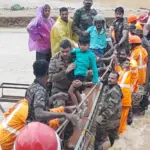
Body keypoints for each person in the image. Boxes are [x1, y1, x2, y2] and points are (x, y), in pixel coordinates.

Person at [25, 60, 78, 149]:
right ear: (47, 73)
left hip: (29, 127)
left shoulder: (31, 87)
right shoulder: (40, 91)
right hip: (39, 131)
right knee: (67, 121)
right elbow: (39, 114)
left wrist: (55, 97)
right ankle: (64, 144)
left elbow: (38, 104)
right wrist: (64, 114)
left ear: (34, 72)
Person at [95, 71, 123, 150]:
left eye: (112, 78)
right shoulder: (108, 86)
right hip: (110, 118)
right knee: (109, 137)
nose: (109, 79)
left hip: (110, 119)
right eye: (109, 77)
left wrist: (102, 116)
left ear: (117, 80)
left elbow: (112, 108)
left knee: (100, 139)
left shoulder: (115, 91)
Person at [68, 35, 98, 105]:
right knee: (76, 91)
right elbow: (71, 52)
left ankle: (77, 108)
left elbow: (94, 68)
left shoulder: (91, 55)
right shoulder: (77, 51)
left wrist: (95, 79)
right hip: (74, 74)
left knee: (70, 91)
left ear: (89, 45)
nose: (82, 47)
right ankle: (83, 104)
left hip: (80, 75)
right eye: (80, 45)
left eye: (84, 45)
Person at [118, 58, 138, 134]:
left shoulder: (132, 74)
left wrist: (131, 59)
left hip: (125, 100)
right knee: (119, 118)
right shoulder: (123, 72)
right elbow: (118, 69)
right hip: (119, 98)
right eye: (126, 63)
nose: (128, 65)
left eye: (128, 64)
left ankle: (120, 133)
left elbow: (134, 67)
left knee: (122, 118)